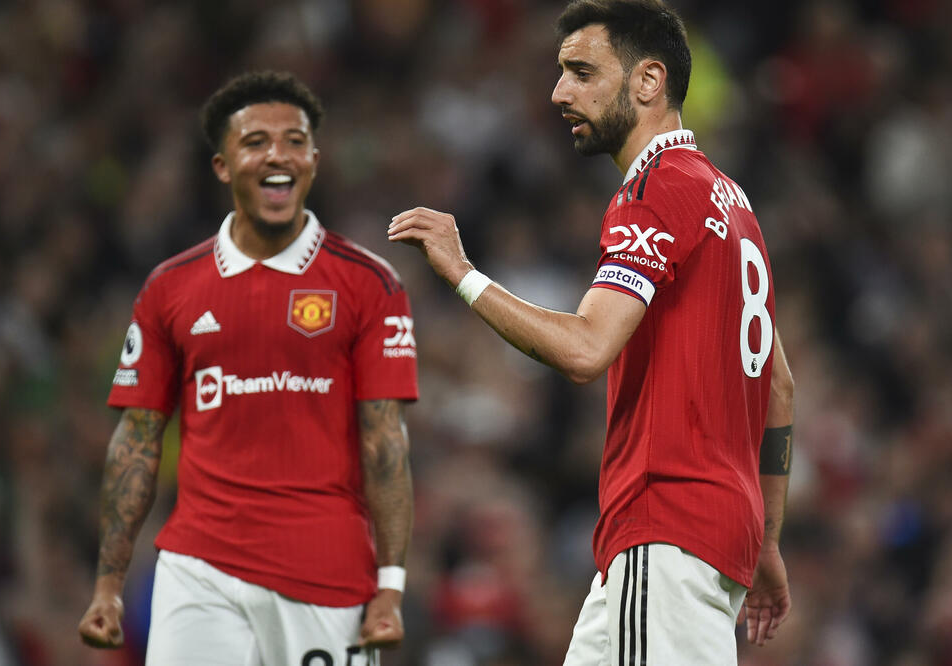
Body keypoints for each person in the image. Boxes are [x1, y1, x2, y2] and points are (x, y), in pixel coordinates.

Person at [387, 1, 793, 663]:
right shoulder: (733, 203)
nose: (559, 92)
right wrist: (766, 538)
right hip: (701, 540)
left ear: (648, 81)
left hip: (666, 528)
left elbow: (586, 349)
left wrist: (463, 275)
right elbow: (777, 387)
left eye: (581, 72)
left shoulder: (655, 189)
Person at [78, 70, 418, 665]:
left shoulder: (370, 284)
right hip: (198, 571)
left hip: (326, 574)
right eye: (256, 142)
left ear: (314, 160)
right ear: (222, 165)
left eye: (294, 141)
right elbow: (137, 437)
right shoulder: (169, 288)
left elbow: (385, 440)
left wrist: (390, 586)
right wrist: (108, 583)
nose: (277, 155)